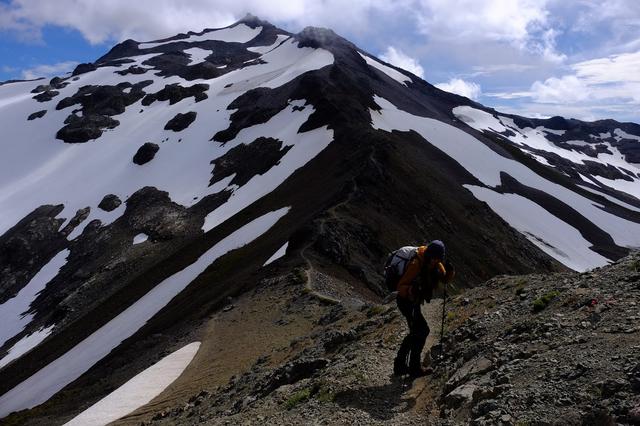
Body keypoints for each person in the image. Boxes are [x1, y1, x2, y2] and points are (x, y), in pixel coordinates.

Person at [393, 240, 454, 378]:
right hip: (406, 302)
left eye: (438, 259)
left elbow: (444, 279)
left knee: (416, 331)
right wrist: (410, 290)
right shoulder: (415, 264)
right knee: (421, 330)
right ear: (428, 254)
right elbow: (400, 287)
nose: (434, 261)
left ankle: (400, 365)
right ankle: (413, 368)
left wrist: (450, 272)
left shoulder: (437, 264)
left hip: (414, 302)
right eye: (433, 257)